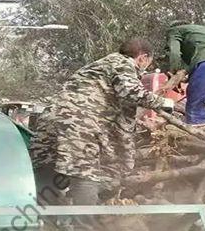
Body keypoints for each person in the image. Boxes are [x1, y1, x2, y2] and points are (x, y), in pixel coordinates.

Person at [30, 38, 175, 210]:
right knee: (86, 174)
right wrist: (163, 103)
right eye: (148, 62)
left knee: (46, 171)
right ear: (143, 57)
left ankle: (45, 225)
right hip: (79, 124)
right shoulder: (122, 63)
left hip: (51, 122)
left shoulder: (98, 66)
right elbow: (131, 92)